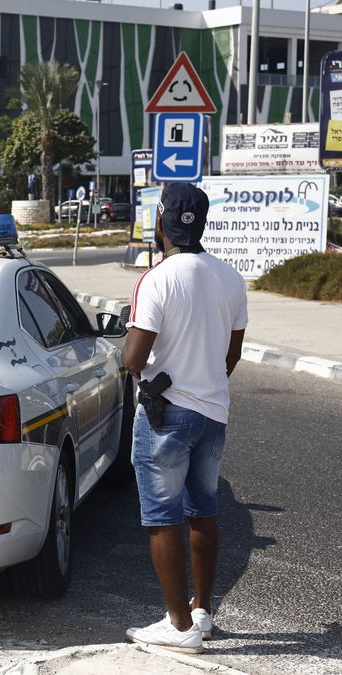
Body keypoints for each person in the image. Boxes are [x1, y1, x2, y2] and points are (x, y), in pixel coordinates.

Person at [122, 183, 248, 654]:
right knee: (204, 512)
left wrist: (129, 342)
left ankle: (178, 628)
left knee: (162, 517)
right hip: (214, 411)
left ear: (161, 224)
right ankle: (202, 611)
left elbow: (135, 359)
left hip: (166, 413)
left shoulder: (157, 278)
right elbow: (230, 355)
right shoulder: (231, 277)